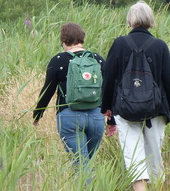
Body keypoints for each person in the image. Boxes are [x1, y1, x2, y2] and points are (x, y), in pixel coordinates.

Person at [100, 1, 170, 191]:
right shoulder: (160, 46)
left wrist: (106, 108)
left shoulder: (120, 44)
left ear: (130, 20)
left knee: (133, 159)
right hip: (156, 111)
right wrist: (168, 109)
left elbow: (108, 76)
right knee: (155, 160)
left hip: (124, 111)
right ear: (150, 20)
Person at [33, 22, 114, 180]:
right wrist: (112, 116)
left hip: (69, 116)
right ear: (82, 39)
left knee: (81, 165)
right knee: (87, 163)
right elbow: (108, 88)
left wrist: (37, 115)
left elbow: (47, 91)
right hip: (96, 117)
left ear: (63, 41)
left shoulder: (58, 60)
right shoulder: (97, 59)